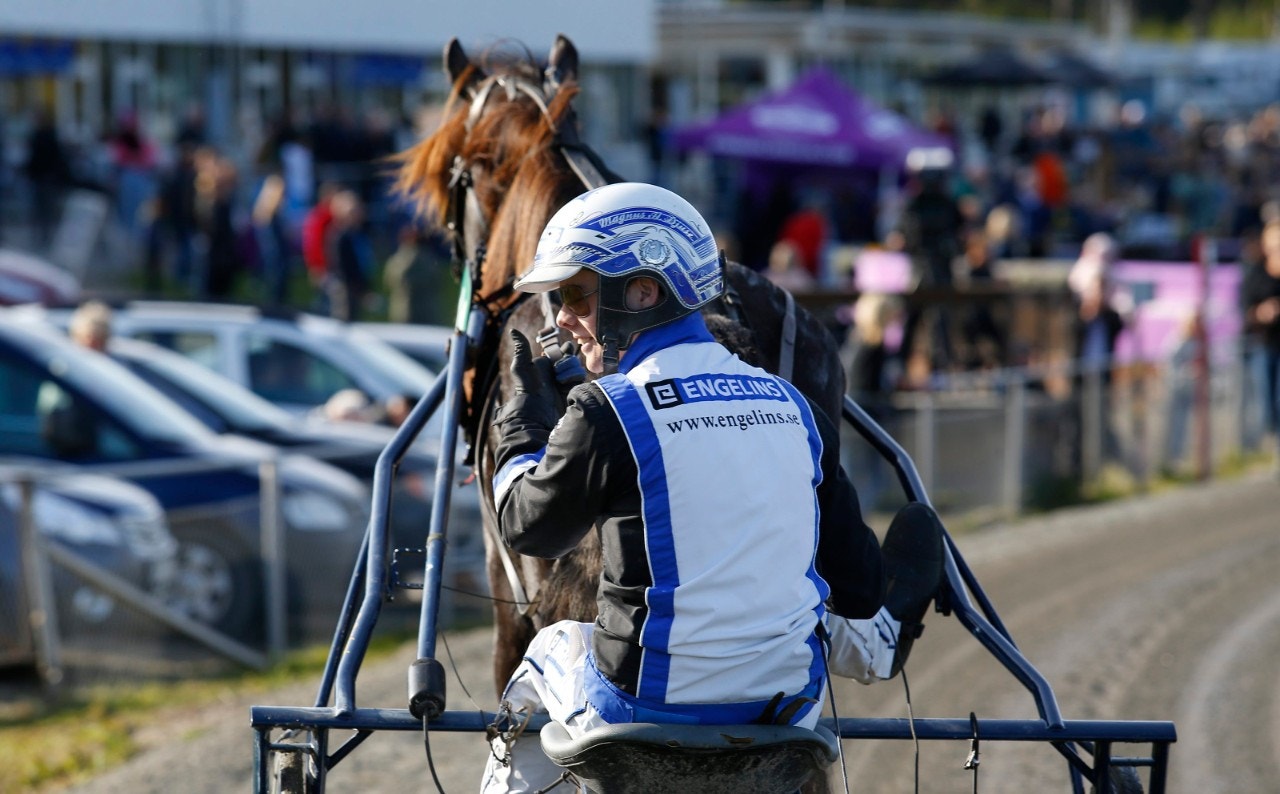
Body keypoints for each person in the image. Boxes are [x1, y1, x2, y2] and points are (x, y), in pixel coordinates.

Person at [480, 183, 945, 793]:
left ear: (643, 291)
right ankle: (880, 646)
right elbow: (856, 590)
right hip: (784, 713)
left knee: (548, 646)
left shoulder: (604, 410)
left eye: (575, 294)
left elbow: (528, 528)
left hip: (638, 710)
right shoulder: (799, 409)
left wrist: (522, 425)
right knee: (796, 605)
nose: (563, 318)